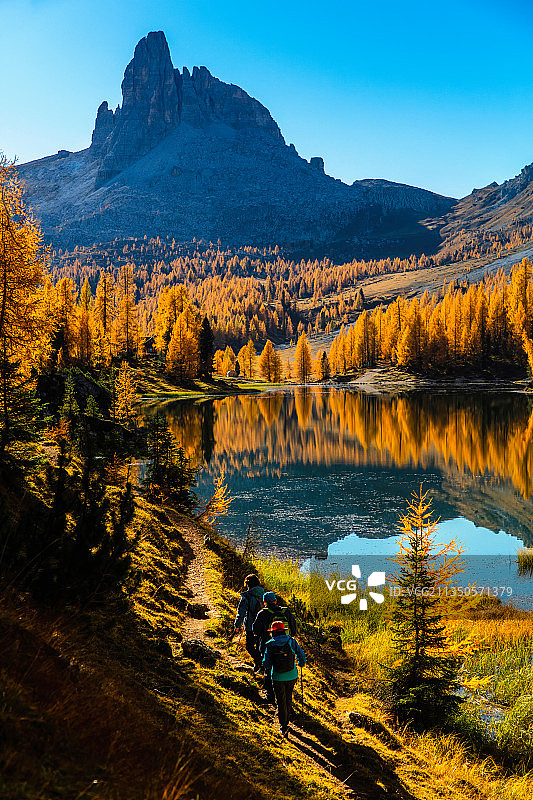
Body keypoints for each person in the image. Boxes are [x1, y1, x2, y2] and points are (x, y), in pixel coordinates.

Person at [262, 620, 306, 737]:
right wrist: (301, 664)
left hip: (277, 677)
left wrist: (268, 667)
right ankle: (287, 717)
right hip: (292, 675)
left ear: (273, 632)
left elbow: (266, 664)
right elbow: (301, 655)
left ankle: (284, 725)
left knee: (280, 700)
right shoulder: (291, 641)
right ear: (283, 630)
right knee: (288, 696)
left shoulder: (269, 644)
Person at [253, 591, 297, 703]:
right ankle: (287, 696)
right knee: (287, 666)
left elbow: (256, 631)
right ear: (275, 600)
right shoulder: (286, 611)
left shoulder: (262, 613)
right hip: (287, 646)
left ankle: (270, 695)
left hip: (267, 646)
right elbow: (294, 630)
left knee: (268, 669)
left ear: (264, 602)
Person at [232, 574, 265, 670]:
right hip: (263, 626)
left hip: (251, 626)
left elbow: (241, 613)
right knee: (260, 646)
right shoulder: (263, 595)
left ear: (247, 584)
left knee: (249, 647)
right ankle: (259, 664)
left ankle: (259, 662)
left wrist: (237, 625)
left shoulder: (246, 597)